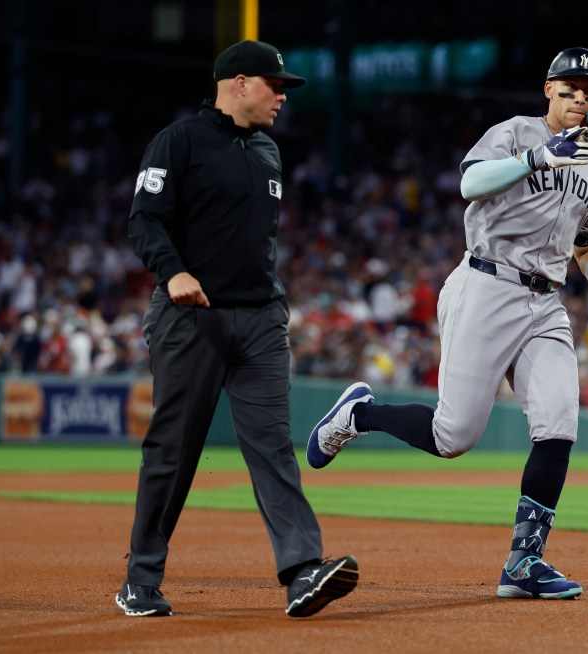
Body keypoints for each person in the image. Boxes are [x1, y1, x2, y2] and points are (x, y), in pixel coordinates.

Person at [307, 47, 588, 600]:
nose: (580, 96)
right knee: (453, 436)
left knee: (558, 424)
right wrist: (538, 158)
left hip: (545, 301)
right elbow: (470, 184)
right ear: (548, 89)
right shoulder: (513, 133)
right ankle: (358, 415)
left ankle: (524, 562)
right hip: (487, 283)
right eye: (570, 86)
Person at [116, 40, 358, 618]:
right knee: (173, 450)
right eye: (275, 85)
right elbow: (144, 219)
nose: (282, 96)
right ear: (240, 83)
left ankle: (302, 572)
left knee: (274, 447)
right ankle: (140, 579)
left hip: (260, 322)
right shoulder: (179, 141)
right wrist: (173, 272)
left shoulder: (269, 151)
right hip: (190, 317)